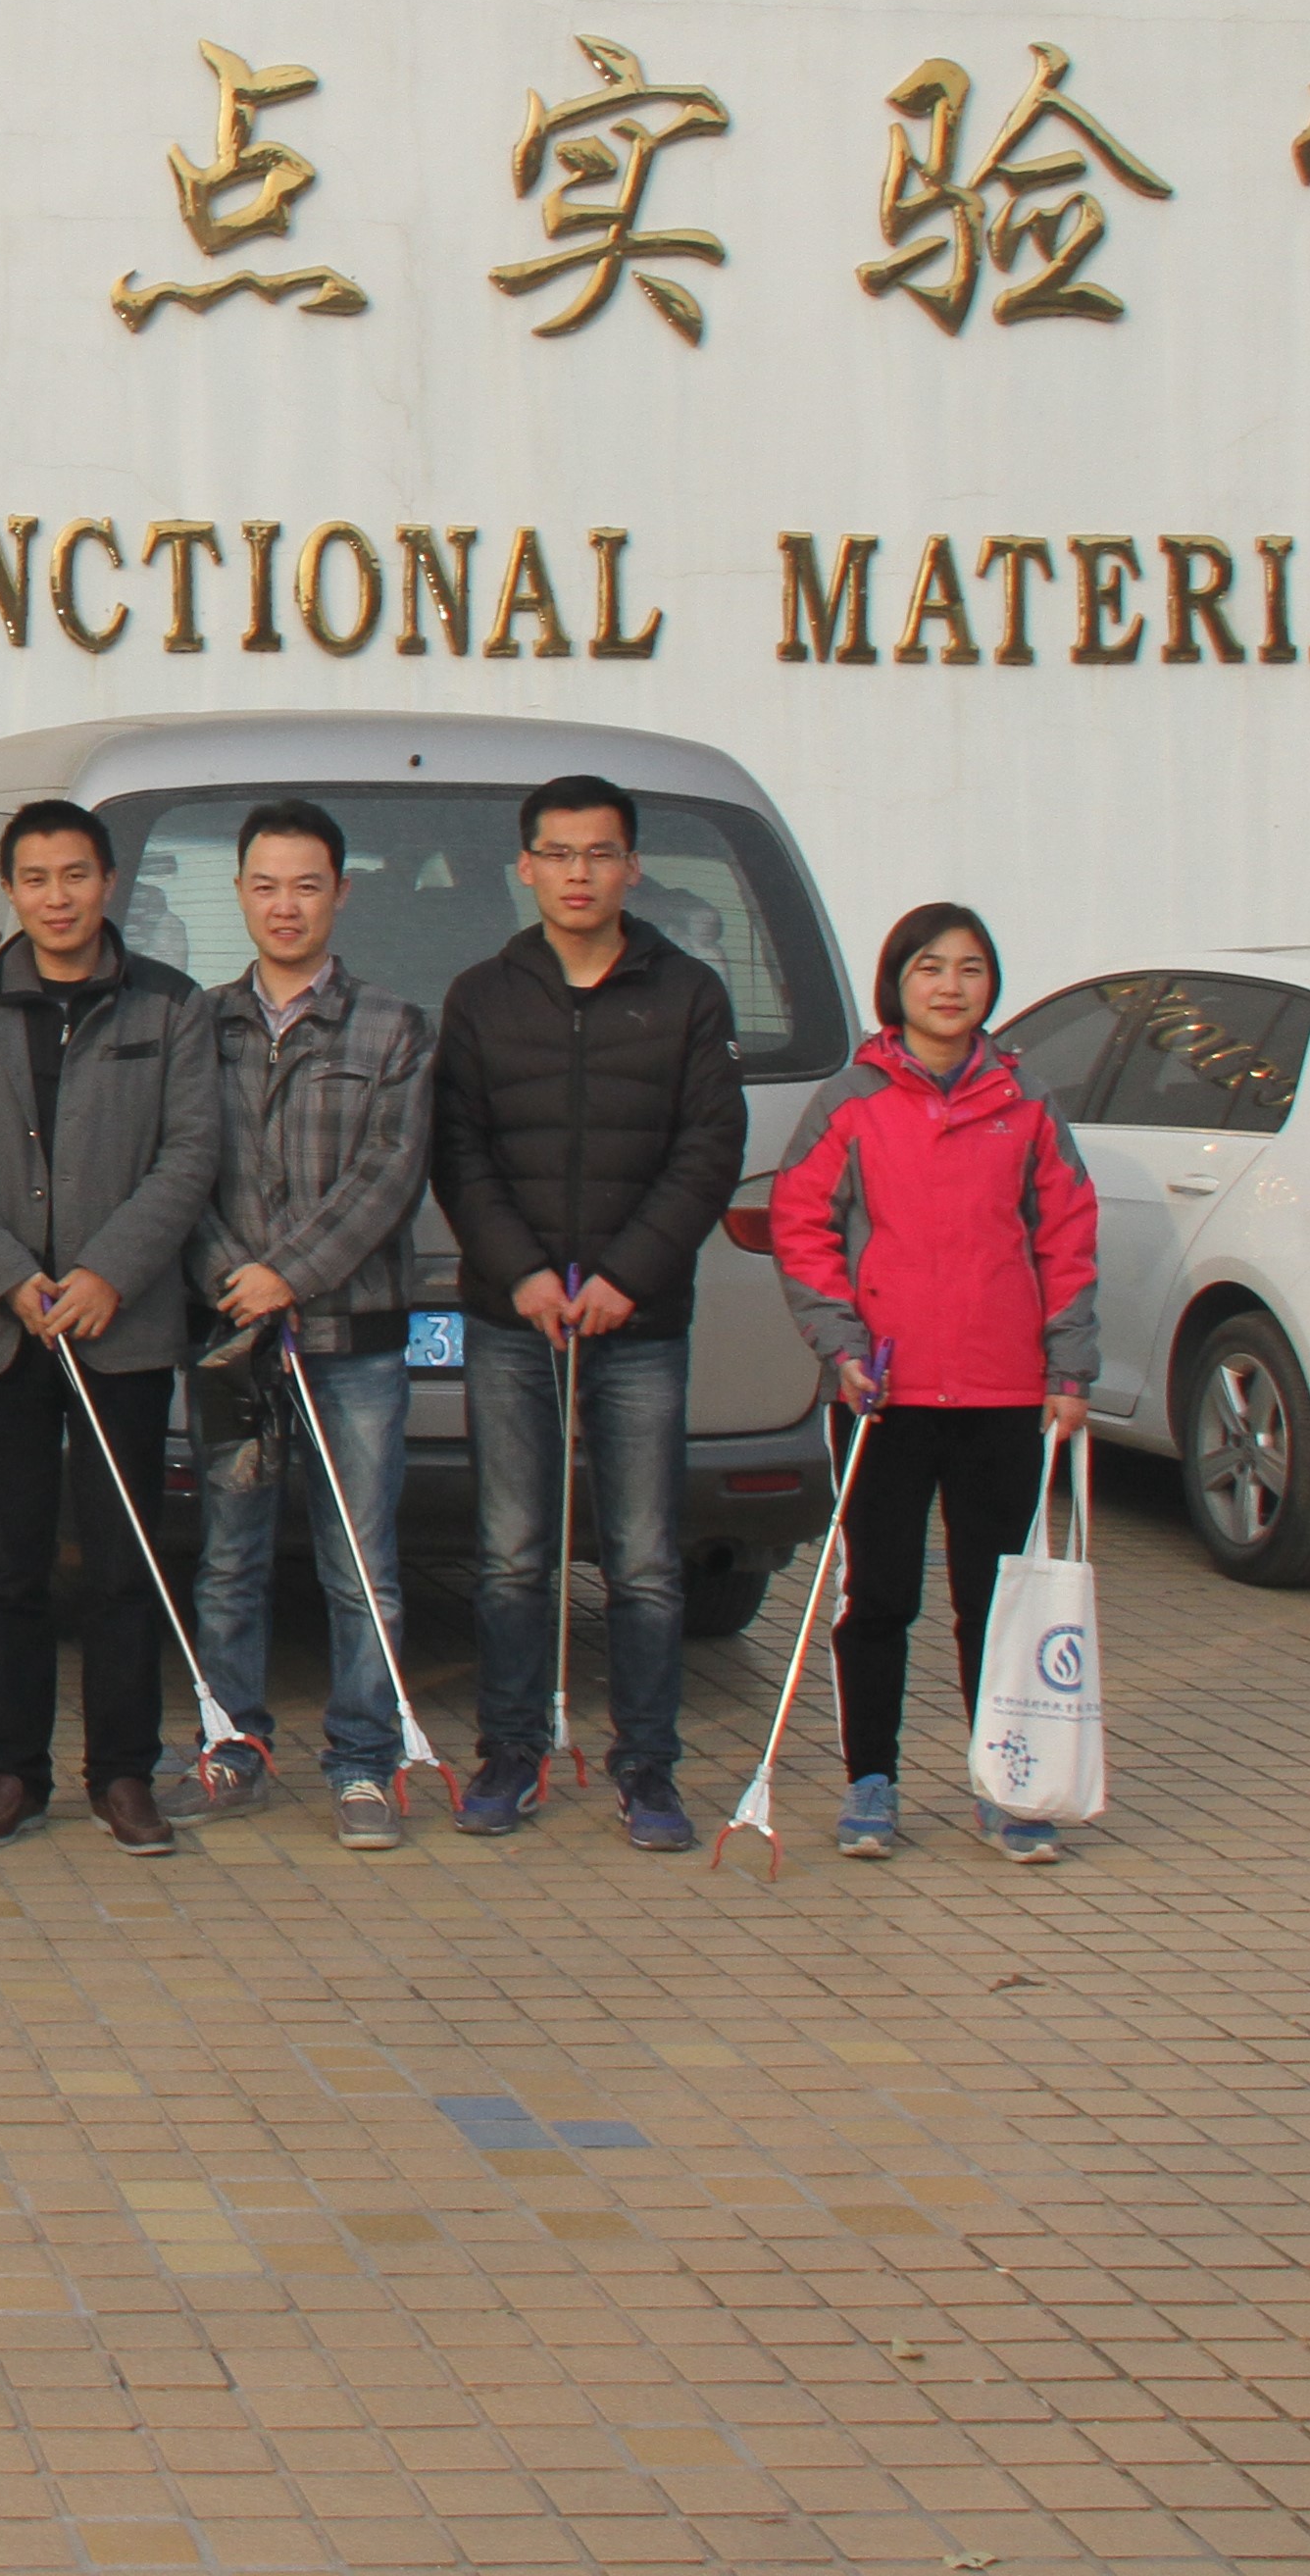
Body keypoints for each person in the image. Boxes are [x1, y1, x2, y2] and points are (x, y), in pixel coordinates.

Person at [430, 771, 748, 1851]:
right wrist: (520, 1271)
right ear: (526, 867)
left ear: (632, 867)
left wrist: (627, 1277)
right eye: (558, 854)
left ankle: (648, 1769)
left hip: (638, 1323)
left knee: (646, 1562)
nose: (579, 873)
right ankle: (510, 1754)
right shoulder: (483, 995)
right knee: (512, 1552)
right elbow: (459, 1150)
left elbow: (709, 1151)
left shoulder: (688, 993)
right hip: (510, 1317)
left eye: (600, 853)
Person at [0, 797, 220, 1858]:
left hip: (118, 1328)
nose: (58, 897)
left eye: (76, 876)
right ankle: (12, 1772)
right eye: (37, 879)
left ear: (108, 883)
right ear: (10, 890)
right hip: (2, 1332)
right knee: (8, 1565)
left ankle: (123, 1774)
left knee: (124, 1561)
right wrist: (10, 1278)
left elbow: (189, 1153)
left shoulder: (169, 1007)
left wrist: (106, 1275)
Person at [770, 902, 1101, 1866]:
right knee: (878, 1597)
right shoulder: (852, 1100)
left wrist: (1069, 1367)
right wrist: (841, 1344)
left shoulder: (1027, 1101)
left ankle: (1008, 1784)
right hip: (885, 1396)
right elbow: (801, 1224)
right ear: (897, 982)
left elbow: (1068, 1235)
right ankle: (870, 1782)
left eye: (970, 969)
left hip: (1004, 1393)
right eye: (930, 968)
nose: (950, 987)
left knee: (994, 1605)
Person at [181, 799, 436, 1852]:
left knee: (361, 1566)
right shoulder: (198, 1024)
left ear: (341, 893)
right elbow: (179, 1168)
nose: (284, 906)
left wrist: (287, 1275)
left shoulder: (394, 1027)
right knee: (228, 1556)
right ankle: (230, 1741)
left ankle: (366, 1761)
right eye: (265, 885)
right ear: (240, 893)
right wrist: (231, 1276)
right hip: (231, 1341)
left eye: (306, 885)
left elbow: (390, 1176)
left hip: (353, 1339)